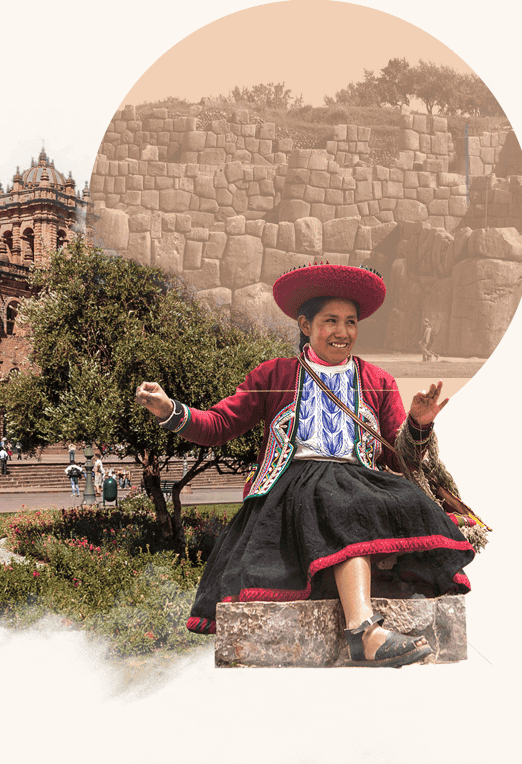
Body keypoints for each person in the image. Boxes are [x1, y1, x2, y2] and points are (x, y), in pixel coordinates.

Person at [135, 264, 479, 667]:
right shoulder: (274, 375)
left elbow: (396, 459)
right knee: (335, 495)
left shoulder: (378, 381)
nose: (342, 331)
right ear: (305, 323)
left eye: (350, 322)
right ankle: (364, 632)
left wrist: (418, 423)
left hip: (358, 483)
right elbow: (220, 424)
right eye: (330, 320)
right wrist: (170, 410)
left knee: (399, 497)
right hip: (291, 489)